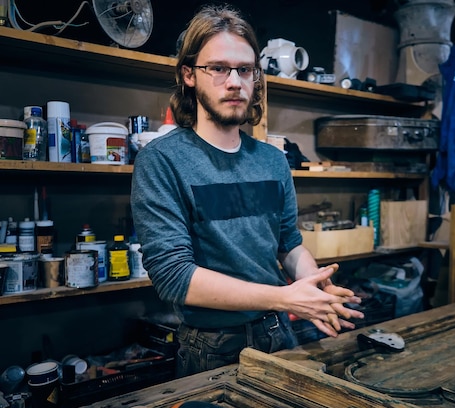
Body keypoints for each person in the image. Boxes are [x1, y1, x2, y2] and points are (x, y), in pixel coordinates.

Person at [130, 4, 364, 378]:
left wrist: (314, 286)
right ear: (189, 75)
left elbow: (289, 243)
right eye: (219, 68)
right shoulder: (162, 161)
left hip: (278, 334)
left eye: (245, 69)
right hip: (211, 346)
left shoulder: (272, 161)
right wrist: (287, 297)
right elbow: (175, 276)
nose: (235, 81)